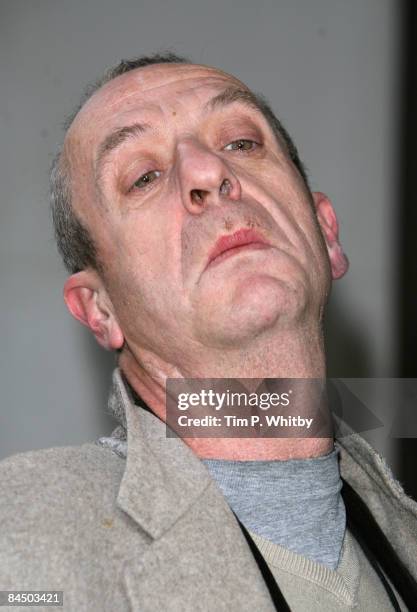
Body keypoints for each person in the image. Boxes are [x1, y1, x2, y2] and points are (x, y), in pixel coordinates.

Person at [0, 53, 416, 611]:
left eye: (241, 143)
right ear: (100, 309)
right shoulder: (19, 539)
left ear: (325, 232)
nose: (208, 172)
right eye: (143, 176)